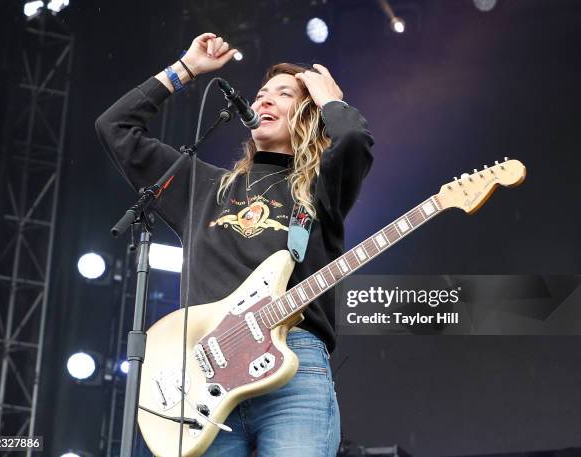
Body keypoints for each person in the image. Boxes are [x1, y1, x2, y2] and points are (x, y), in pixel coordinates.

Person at [95, 32, 374, 457]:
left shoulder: (319, 190)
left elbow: (352, 140)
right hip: (201, 375)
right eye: (261, 94)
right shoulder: (202, 184)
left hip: (293, 368)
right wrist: (185, 69)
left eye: (283, 94)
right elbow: (115, 128)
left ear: (309, 113)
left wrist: (330, 100)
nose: (264, 100)